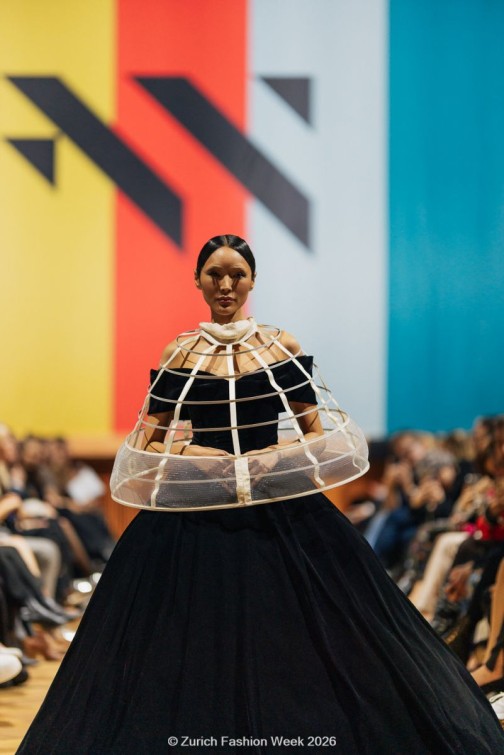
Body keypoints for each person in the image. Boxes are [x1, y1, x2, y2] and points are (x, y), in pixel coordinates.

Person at [17, 235, 504, 754]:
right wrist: (193, 455)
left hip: (279, 508)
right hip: (197, 513)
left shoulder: (279, 346)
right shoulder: (180, 352)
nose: (226, 285)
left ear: (253, 280)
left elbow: (316, 432)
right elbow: (149, 440)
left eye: (237, 275)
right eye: (214, 274)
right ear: (198, 280)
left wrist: (272, 457)